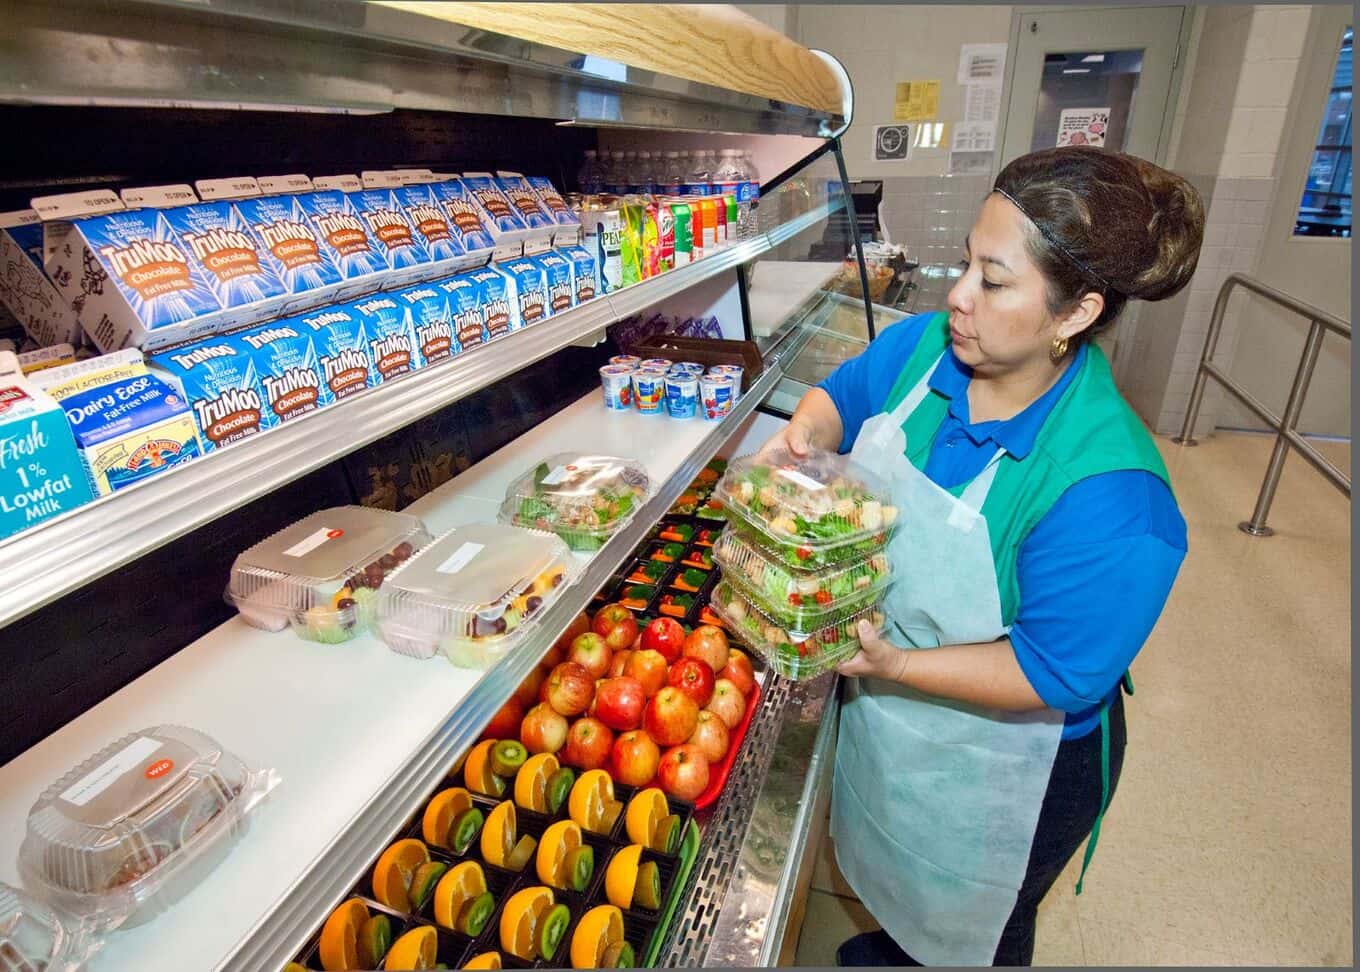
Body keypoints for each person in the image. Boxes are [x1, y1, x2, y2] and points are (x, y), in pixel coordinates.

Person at [760, 147, 1205, 966]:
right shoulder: (930, 349)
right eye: (966, 262)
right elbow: (846, 394)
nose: (957, 295)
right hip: (898, 707)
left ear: (1076, 314)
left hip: (1017, 767)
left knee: (976, 920)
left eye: (993, 281)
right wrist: (803, 439)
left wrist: (891, 663)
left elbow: (1053, 673)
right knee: (900, 874)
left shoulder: (1114, 499)